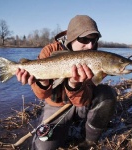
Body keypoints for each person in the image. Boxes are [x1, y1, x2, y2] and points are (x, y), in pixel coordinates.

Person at [16, 15, 117, 150]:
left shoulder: (95, 57)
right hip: (57, 106)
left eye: (94, 40)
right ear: (72, 38)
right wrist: (43, 81)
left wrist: (74, 84)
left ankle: (90, 141)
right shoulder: (50, 51)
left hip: (82, 104)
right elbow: (41, 95)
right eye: (84, 39)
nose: (90, 45)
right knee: (42, 147)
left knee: (107, 94)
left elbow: (83, 100)